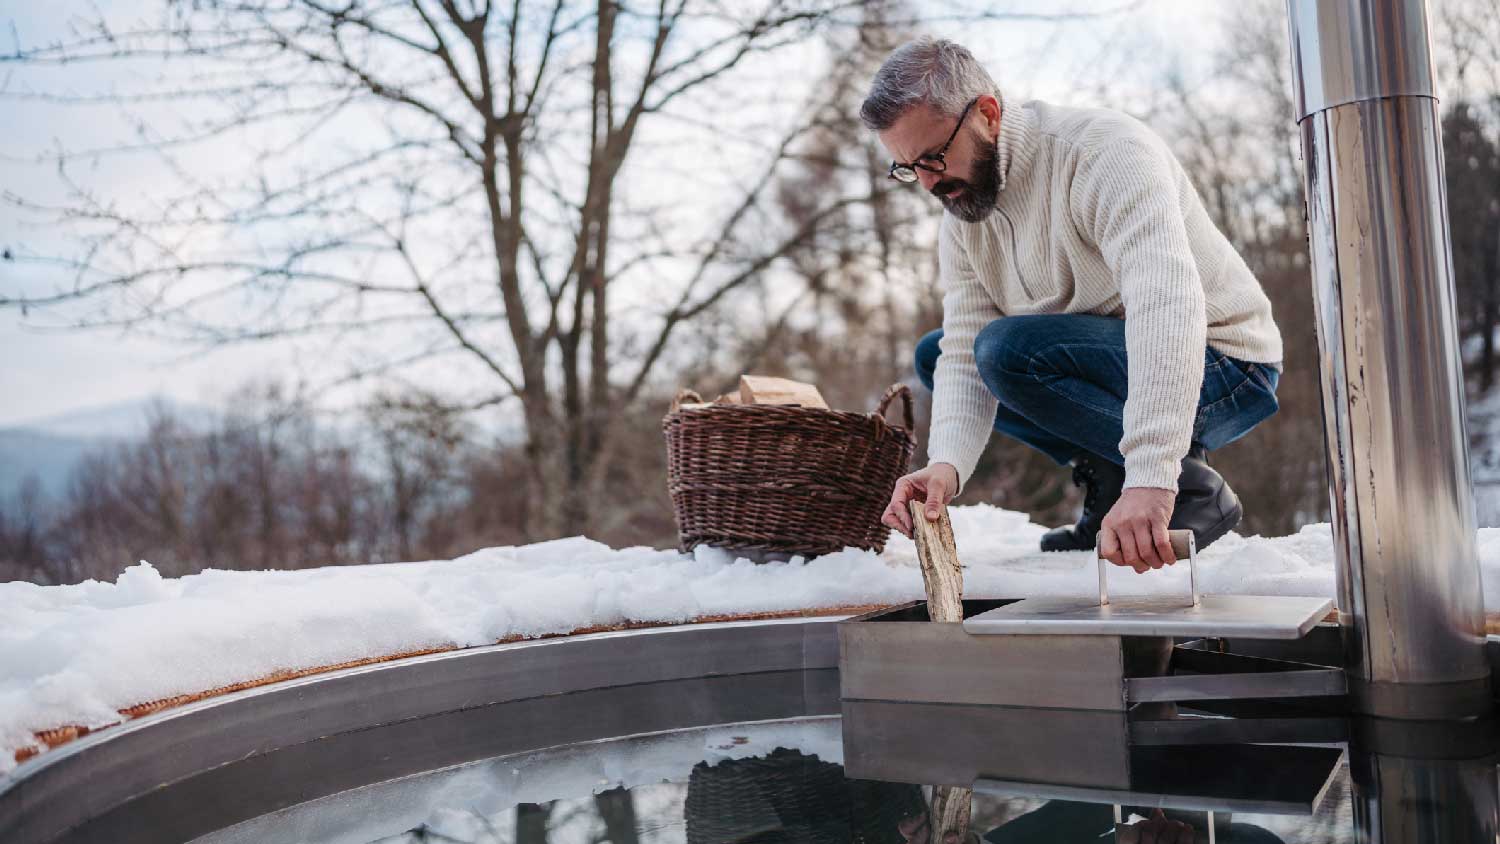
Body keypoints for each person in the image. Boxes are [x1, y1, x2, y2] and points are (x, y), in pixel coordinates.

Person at [867, 38, 1283, 570]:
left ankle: (1192, 488)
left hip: (1224, 364)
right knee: (941, 353)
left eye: (933, 156)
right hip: (1120, 360)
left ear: (987, 115)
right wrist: (945, 467)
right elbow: (965, 352)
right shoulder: (965, 219)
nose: (927, 182)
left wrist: (1155, 477)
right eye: (908, 168)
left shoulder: (1102, 155)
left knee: (1007, 350)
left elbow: (1168, 307)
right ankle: (1111, 481)